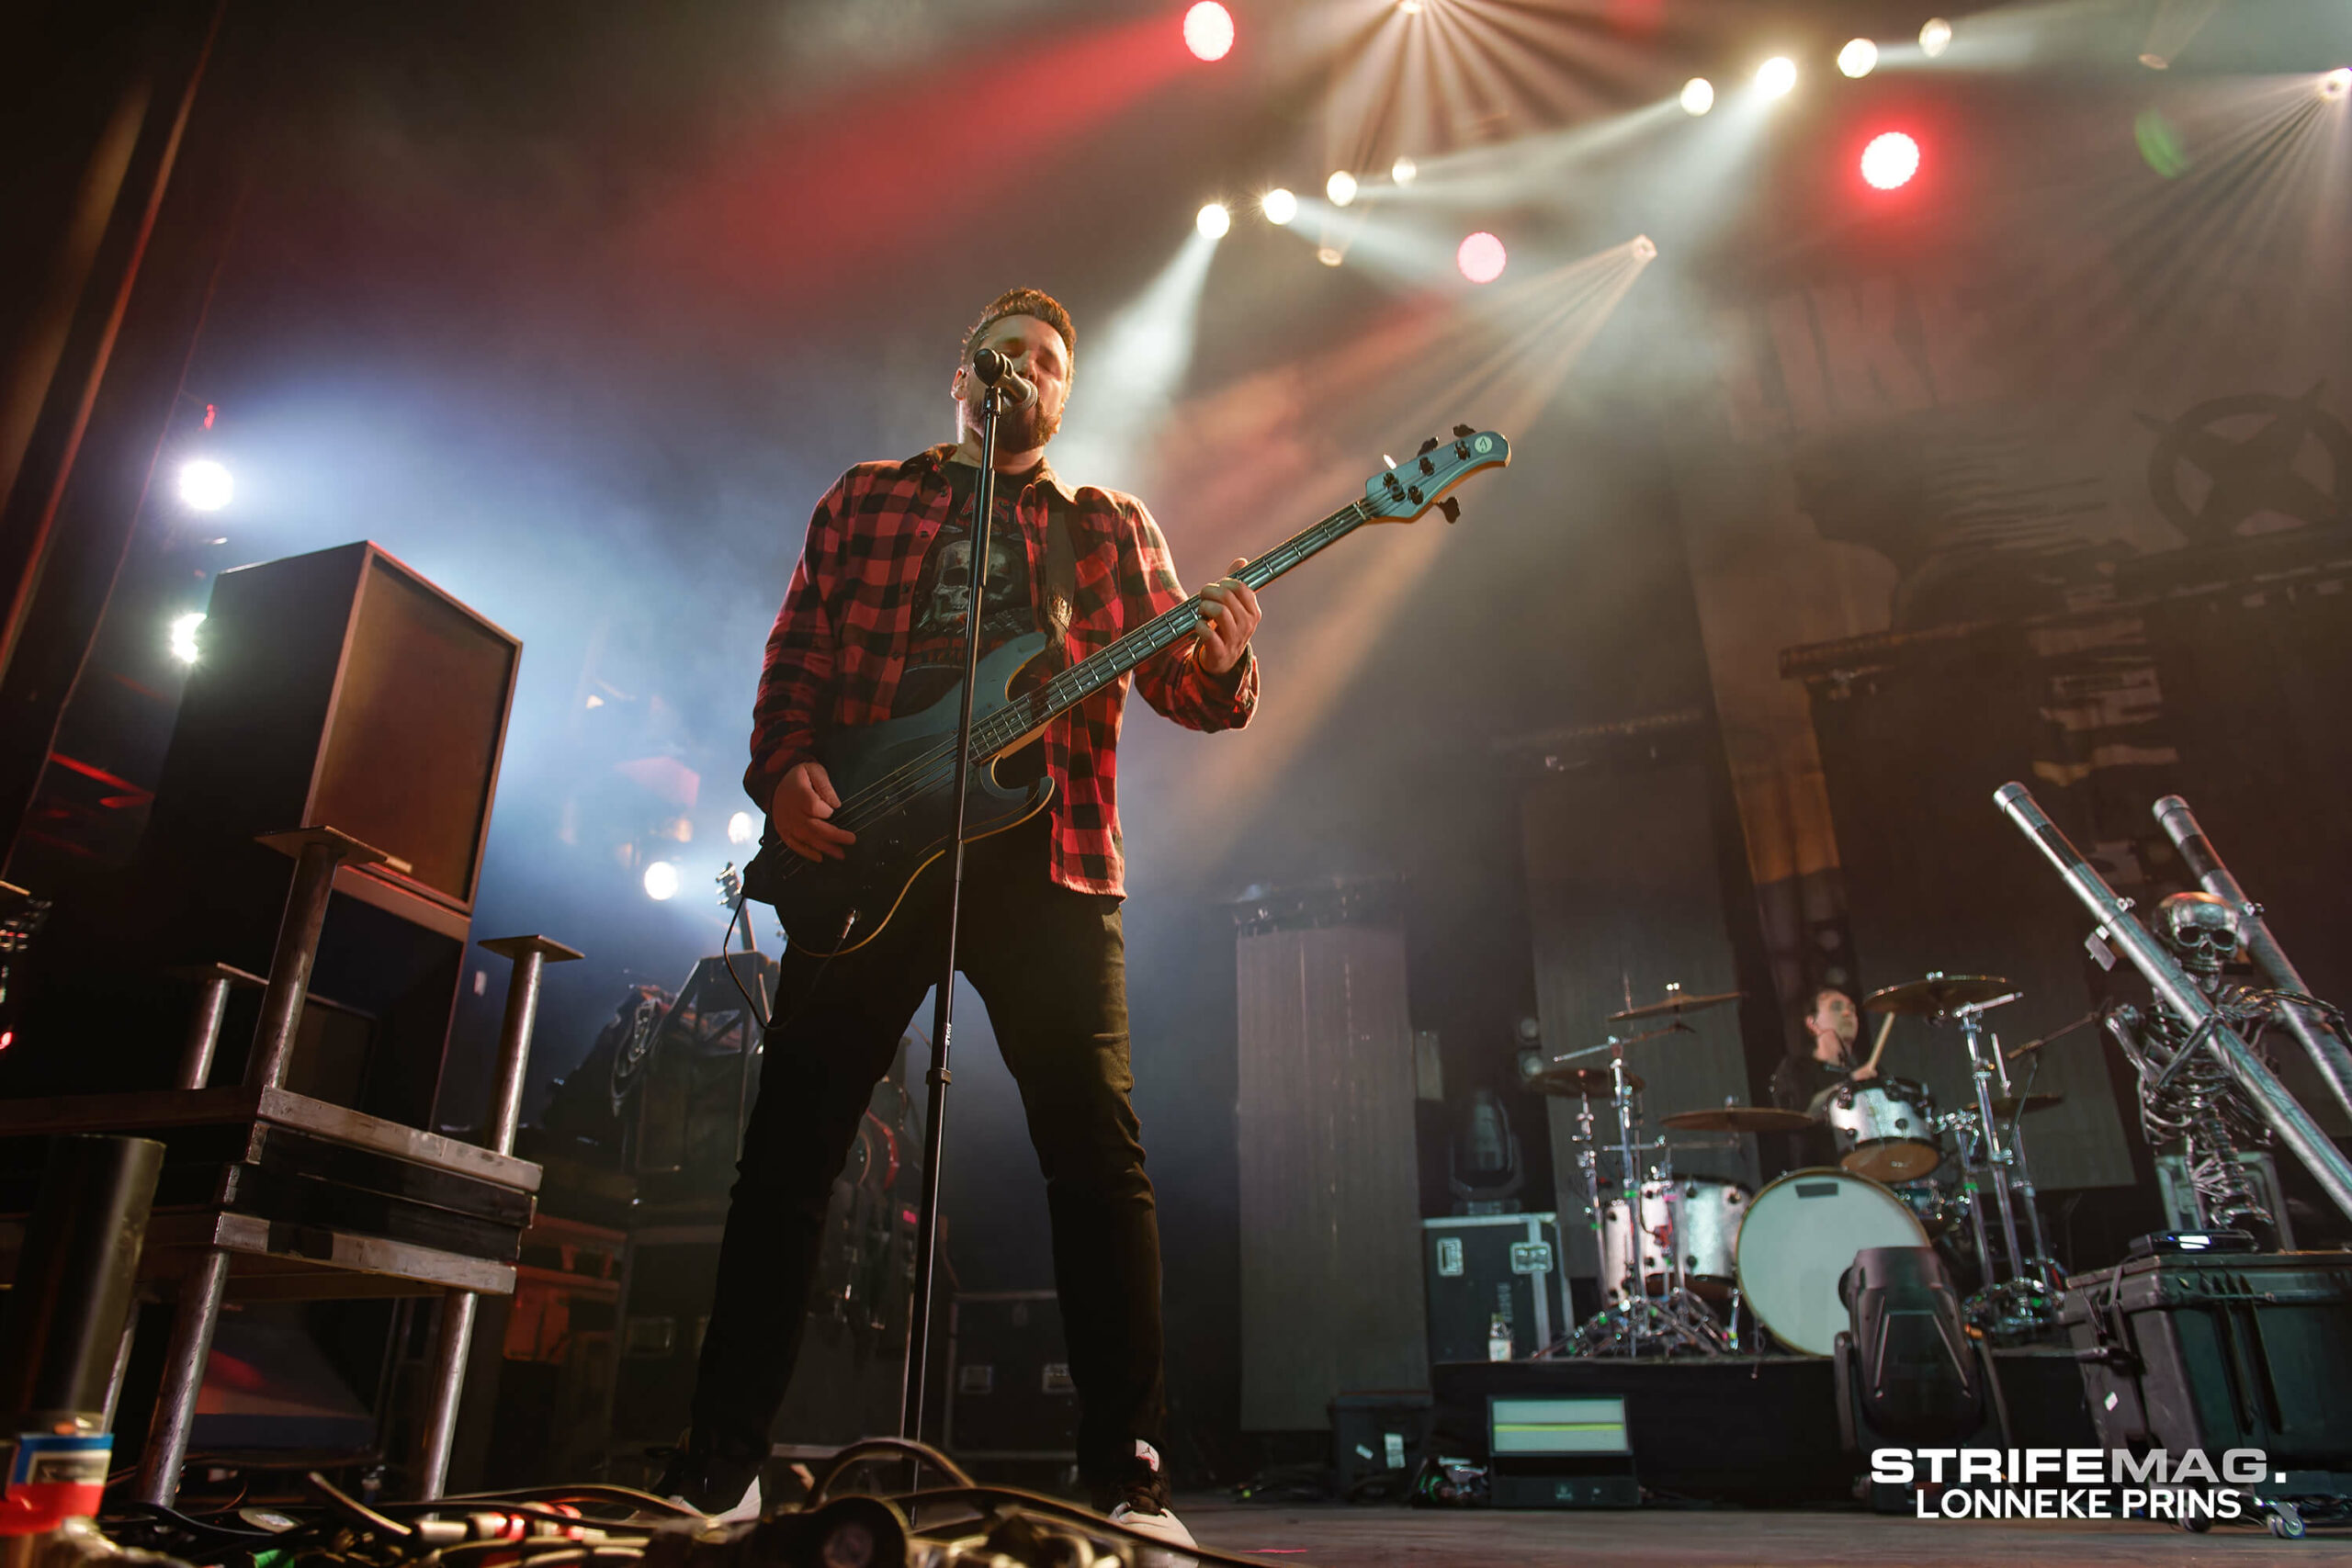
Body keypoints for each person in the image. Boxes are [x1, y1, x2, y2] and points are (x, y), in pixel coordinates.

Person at [655, 288, 1261, 1551]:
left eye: (1047, 361)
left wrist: (1217, 660)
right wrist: (786, 769)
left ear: (1066, 393)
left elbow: (1180, 691)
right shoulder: (869, 496)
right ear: (961, 380)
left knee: (1097, 1157)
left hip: (1051, 853)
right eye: (1004, 357)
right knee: (789, 1150)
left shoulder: (1105, 526)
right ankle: (720, 1463)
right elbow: (797, 652)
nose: (1023, 373)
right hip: (872, 847)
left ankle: (1127, 1472)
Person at [1769, 985, 1876, 1170]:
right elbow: (1801, 1117)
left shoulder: (1869, 1070)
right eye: (1836, 1007)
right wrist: (1849, 1084)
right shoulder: (1796, 1068)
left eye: (1852, 1009)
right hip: (1821, 1175)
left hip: (1870, 1169)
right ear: (1813, 1023)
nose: (1847, 1014)